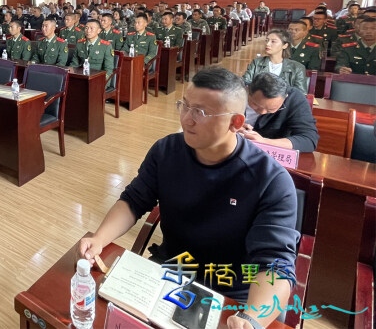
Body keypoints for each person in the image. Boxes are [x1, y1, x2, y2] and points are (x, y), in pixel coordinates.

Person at [79, 68, 299, 326]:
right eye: (184, 106)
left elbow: (275, 265)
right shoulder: (166, 150)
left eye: (201, 112)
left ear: (236, 122)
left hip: (231, 290)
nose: (187, 120)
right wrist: (99, 238)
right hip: (171, 270)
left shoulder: (270, 180)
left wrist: (251, 318)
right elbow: (134, 200)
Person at [239, 73, 319, 152]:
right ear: (247, 90)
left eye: (271, 109)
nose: (262, 112)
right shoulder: (236, 91)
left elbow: (309, 139)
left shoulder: (294, 99)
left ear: (285, 98)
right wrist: (233, 127)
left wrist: (264, 142)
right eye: (255, 105)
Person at [242, 30, 307, 93]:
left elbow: (300, 93)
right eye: (267, 40)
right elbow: (245, 83)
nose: (268, 44)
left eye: (273, 41)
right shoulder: (256, 63)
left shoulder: (297, 67)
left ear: (285, 45)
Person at [69, 19, 114, 88]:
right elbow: (74, 64)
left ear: (99, 30)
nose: (88, 31)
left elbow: (109, 69)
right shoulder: (80, 43)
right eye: (86, 28)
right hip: (82, 78)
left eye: (92, 28)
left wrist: (102, 83)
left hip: (98, 80)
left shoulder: (106, 46)